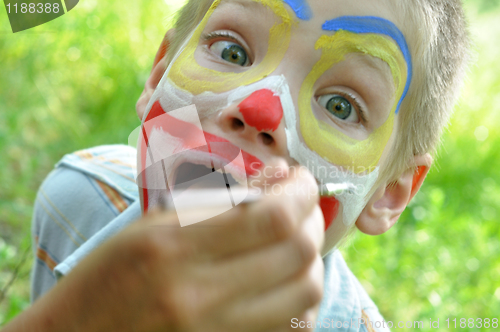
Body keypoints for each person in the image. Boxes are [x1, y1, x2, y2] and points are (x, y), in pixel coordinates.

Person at [3, 0, 470, 331]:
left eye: (341, 106)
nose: (258, 108)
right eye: (232, 51)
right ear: (157, 74)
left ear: (390, 192)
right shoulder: (75, 201)